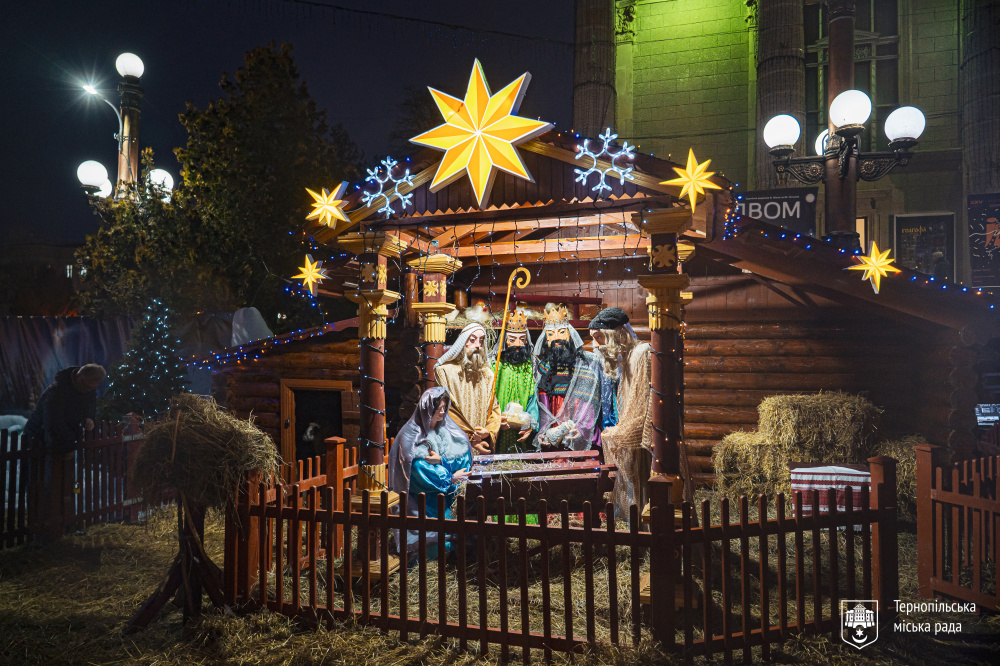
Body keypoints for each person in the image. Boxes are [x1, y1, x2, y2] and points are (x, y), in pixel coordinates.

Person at [22, 364, 106, 541]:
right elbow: (53, 425)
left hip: (61, 440)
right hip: (39, 441)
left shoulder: (86, 389)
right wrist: (67, 447)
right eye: (89, 386)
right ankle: (42, 527)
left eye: (93, 387)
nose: (91, 390)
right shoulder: (56, 393)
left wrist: (89, 417)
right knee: (43, 483)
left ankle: (60, 523)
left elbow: (90, 405)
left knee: (61, 483)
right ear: (79, 377)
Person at [387, 387, 473, 558]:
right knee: (433, 540)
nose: (442, 412)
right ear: (428, 409)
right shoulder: (411, 435)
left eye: (444, 408)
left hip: (448, 499)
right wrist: (449, 478)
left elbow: (463, 458)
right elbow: (417, 469)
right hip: (424, 502)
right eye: (438, 409)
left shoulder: (446, 431)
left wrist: (443, 462)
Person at [590, 308, 654, 517]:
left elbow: (645, 405)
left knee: (647, 491)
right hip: (634, 435)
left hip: (647, 441)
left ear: (615, 334)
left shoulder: (642, 353)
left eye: (599, 337)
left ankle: (645, 531)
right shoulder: (625, 360)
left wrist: (623, 432)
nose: (596, 345)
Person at [533, 303, 603, 451]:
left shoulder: (587, 363)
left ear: (570, 335)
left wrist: (582, 428)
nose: (557, 338)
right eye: (551, 334)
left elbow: (591, 401)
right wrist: (544, 432)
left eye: (561, 332)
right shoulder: (544, 367)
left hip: (579, 423)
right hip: (553, 429)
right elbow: (543, 404)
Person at [434, 322, 502, 454]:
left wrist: (488, 431)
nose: (478, 345)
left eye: (481, 340)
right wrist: (470, 438)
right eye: (472, 340)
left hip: (482, 442)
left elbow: (494, 408)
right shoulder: (444, 371)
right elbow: (448, 410)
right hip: (454, 444)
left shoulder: (487, 374)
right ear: (462, 342)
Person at [490, 309, 539, 454]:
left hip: (522, 431)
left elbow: (533, 400)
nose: (518, 344)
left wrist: (530, 425)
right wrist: (495, 420)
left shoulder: (530, 367)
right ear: (505, 341)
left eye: (521, 339)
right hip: (497, 428)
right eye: (512, 340)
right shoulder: (495, 366)